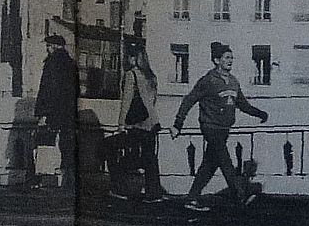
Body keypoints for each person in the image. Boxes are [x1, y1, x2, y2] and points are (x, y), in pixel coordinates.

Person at [170, 42, 269, 212]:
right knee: (225, 161)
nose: (230, 61)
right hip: (210, 127)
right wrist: (178, 124)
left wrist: (260, 113)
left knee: (209, 165)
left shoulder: (233, 82)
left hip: (224, 130)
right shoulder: (208, 80)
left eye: (231, 57)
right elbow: (189, 100)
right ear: (217, 60)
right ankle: (240, 195)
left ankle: (192, 198)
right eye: (226, 58)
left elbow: (242, 104)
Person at [107, 46, 164, 203]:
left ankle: (119, 188)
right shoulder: (151, 76)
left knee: (115, 150)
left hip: (136, 124)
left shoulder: (131, 75)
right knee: (149, 158)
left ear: (132, 58)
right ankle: (154, 193)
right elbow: (153, 100)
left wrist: (121, 124)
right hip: (152, 123)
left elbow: (126, 101)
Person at [33, 34, 79, 190]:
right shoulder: (71, 64)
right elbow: (76, 90)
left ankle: (39, 178)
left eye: (48, 46)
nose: (46, 49)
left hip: (52, 112)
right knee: (67, 145)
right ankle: (68, 179)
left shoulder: (51, 63)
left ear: (53, 46)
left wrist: (43, 113)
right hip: (68, 111)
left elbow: (47, 90)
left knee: (43, 142)